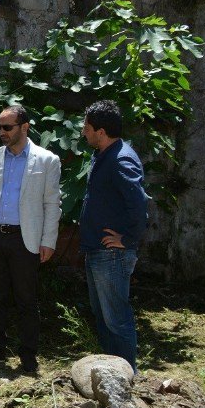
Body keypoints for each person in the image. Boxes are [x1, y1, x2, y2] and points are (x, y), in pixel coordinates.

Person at [0, 105, 62, 373]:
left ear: (25, 127)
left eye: (7, 127)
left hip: (26, 238)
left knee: (26, 299)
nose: (1, 132)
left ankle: (28, 356)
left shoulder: (47, 160)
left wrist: (49, 241)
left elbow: (51, 204)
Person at [78, 100, 148, 371]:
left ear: (101, 131)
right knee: (104, 318)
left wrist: (127, 239)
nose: (84, 132)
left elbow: (139, 204)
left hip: (112, 254)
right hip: (99, 251)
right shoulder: (105, 154)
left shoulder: (121, 158)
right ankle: (111, 375)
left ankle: (126, 377)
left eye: (87, 128)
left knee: (116, 319)